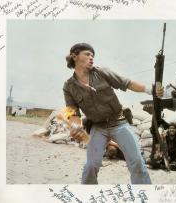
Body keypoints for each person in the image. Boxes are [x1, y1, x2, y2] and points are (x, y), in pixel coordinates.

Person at [63, 43, 163, 184]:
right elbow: (72, 111)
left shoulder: (102, 72)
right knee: (91, 166)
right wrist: (75, 127)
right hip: (98, 127)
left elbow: (127, 83)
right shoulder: (69, 86)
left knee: (137, 162)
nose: (91, 58)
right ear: (74, 56)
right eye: (87, 54)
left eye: (93, 55)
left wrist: (149, 89)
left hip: (119, 122)